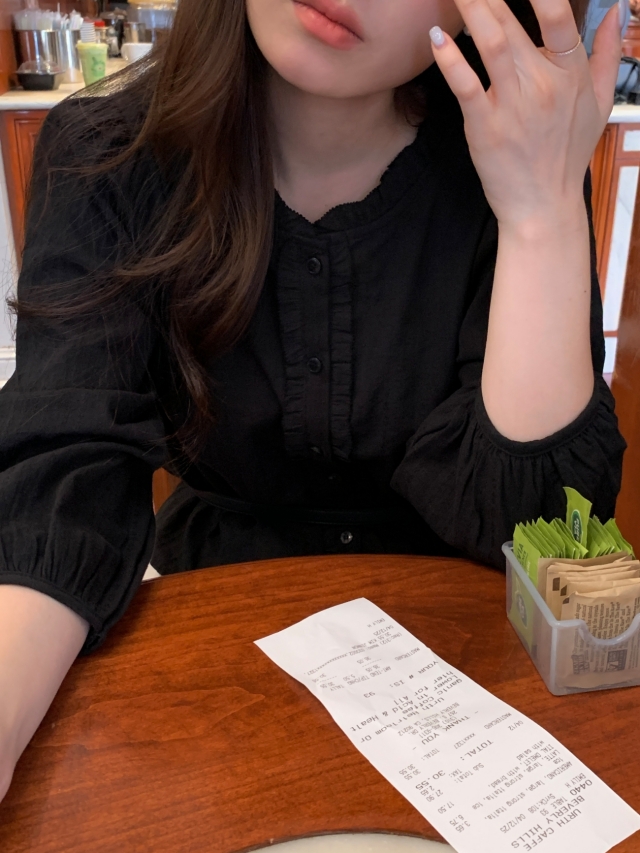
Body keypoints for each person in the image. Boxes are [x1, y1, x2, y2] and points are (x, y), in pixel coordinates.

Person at [0, 0, 627, 804]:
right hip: (206, 647)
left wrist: (541, 214)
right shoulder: (109, 155)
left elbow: (535, 533)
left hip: (463, 686)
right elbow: (62, 482)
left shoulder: (518, 151)